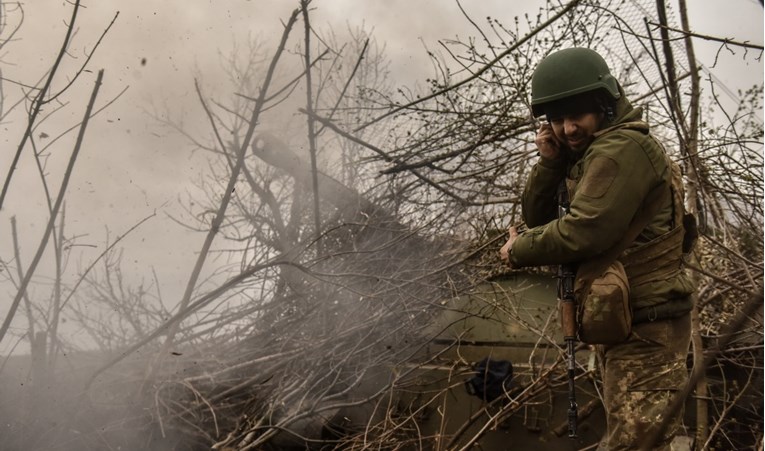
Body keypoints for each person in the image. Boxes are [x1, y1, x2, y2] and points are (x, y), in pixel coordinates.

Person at [499, 47, 695, 450]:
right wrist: (550, 163)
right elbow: (540, 221)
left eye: (577, 116)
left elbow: (583, 232)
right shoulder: (589, 154)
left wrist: (520, 249)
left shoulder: (621, 150)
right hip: (628, 324)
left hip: (649, 328)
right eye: (557, 119)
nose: (567, 128)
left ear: (603, 105)